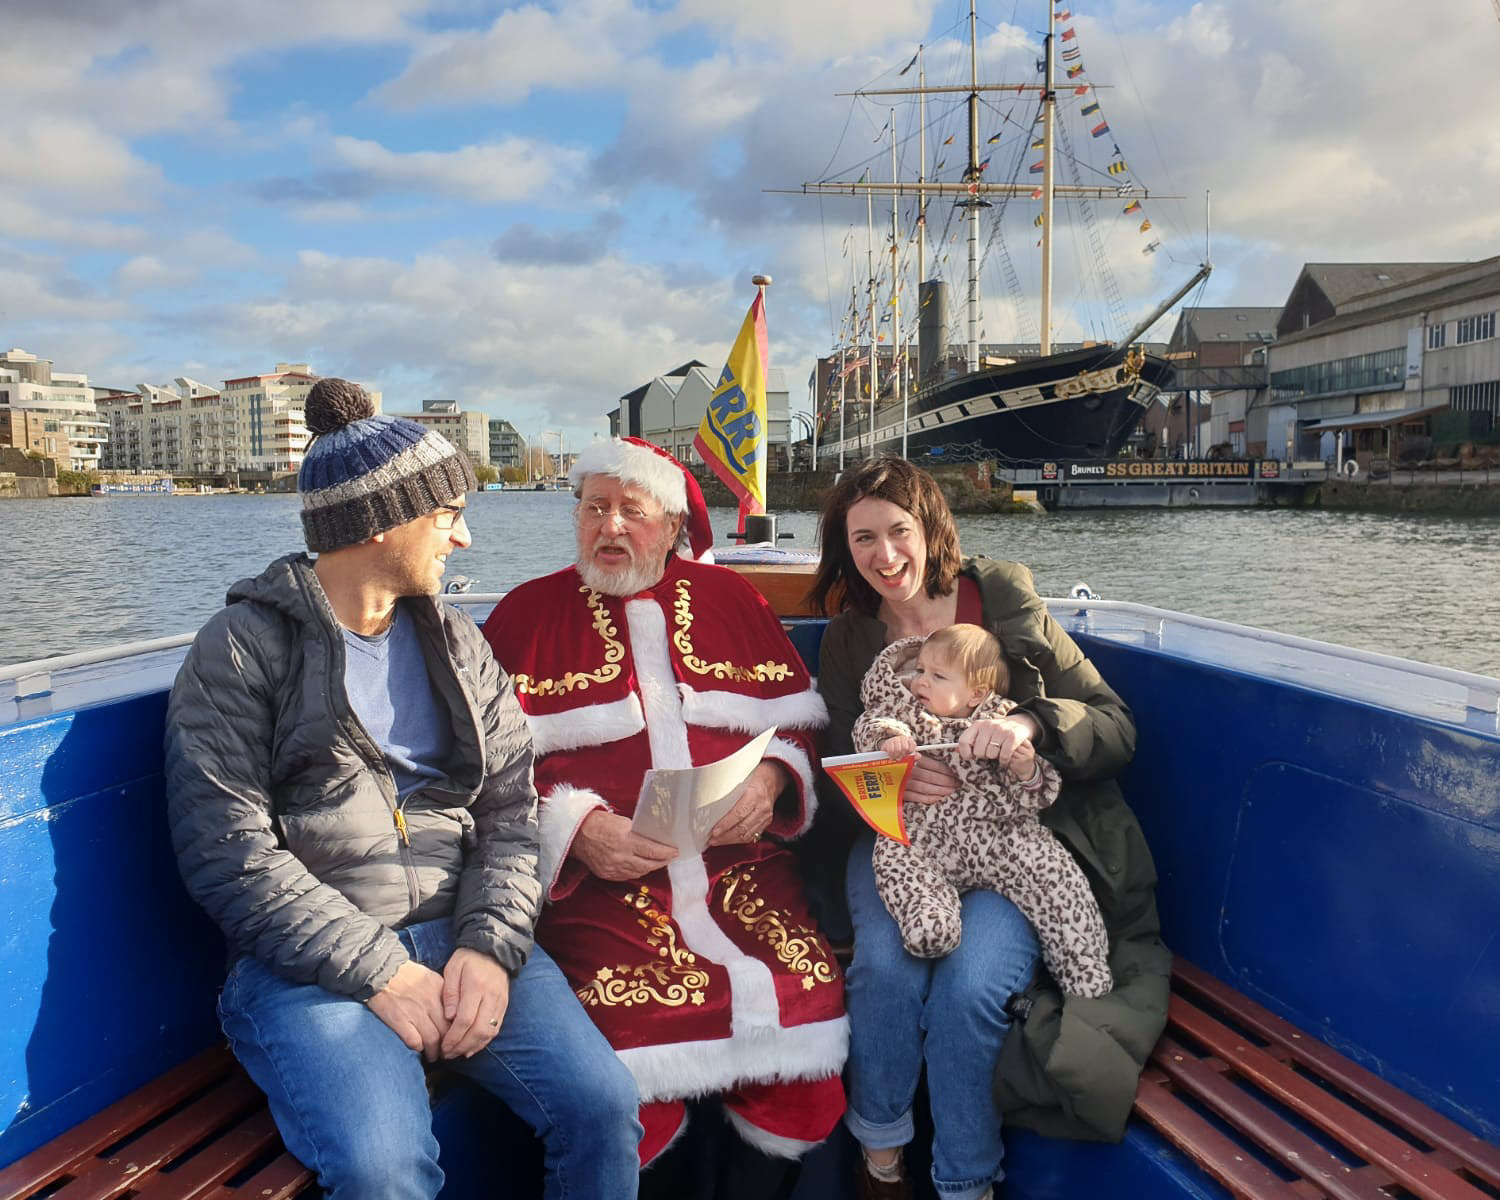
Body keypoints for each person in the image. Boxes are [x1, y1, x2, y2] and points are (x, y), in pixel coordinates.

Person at [163, 379, 642, 1200]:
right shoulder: (241, 651)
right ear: (383, 521)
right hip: (308, 964)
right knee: (383, 1170)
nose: (464, 537)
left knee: (603, 1107)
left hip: (461, 932)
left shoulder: (457, 644)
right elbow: (230, 856)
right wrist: (381, 968)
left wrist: (491, 947)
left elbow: (508, 812)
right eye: (449, 514)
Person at [481, 437, 847, 1200]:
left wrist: (775, 780)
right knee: (629, 1031)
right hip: (596, 887)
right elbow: (486, 773)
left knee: (802, 995)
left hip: (740, 868)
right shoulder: (523, 615)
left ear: (674, 525)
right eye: (594, 509)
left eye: (631, 511)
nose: (609, 527)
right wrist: (577, 830)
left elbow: (800, 724)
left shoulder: (732, 601)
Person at [807, 457, 1170, 1200]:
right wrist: (890, 774)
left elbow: (1114, 724)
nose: (885, 556)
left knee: (970, 989)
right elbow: (837, 770)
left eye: (899, 532)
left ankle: (965, 1183)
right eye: (864, 539)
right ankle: (881, 1159)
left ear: (930, 529)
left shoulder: (1001, 599)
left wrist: (1031, 726)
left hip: (1006, 838)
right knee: (885, 971)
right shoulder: (850, 638)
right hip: (902, 840)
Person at [851, 624, 1113, 995]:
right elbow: (870, 724)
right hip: (925, 834)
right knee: (895, 859)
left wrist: (1025, 768)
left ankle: (1084, 967)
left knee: (1056, 876)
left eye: (938, 676)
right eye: (920, 670)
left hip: (997, 836)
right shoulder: (902, 711)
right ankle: (929, 918)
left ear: (976, 693)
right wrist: (887, 740)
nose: (921, 681)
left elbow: (1035, 796)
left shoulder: (1001, 720)